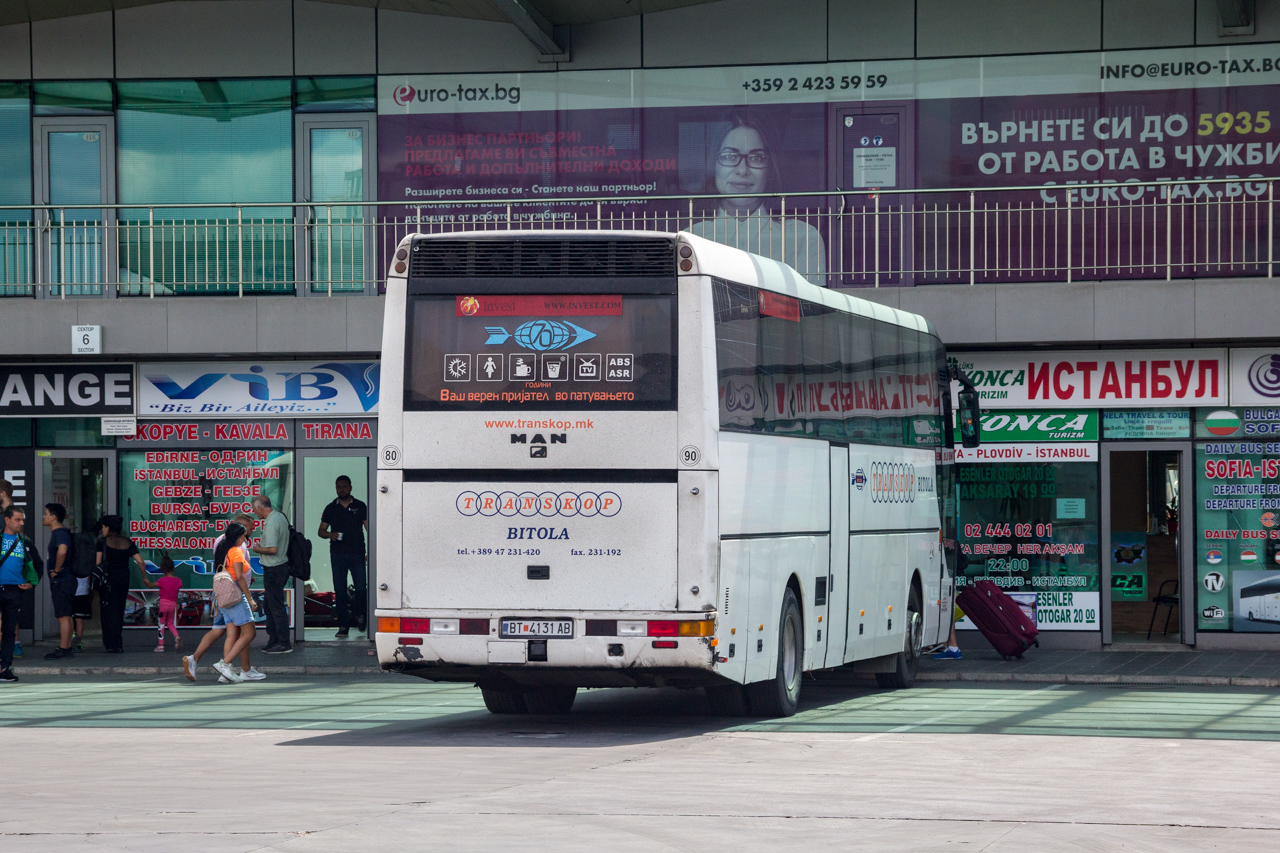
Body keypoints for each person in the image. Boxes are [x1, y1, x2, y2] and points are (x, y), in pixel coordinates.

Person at [690, 115, 827, 285]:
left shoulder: (803, 237)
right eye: (730, 156)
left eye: (756, 158)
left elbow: (811, 308)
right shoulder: (691, 238)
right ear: (713, 164)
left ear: (771, 167)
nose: (742, 170)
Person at [183, 518, 264, 683]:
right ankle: (225, 664)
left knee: (231, 634)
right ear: (237, 535)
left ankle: (225, 673)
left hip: (223, 595)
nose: (246, 538)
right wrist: (250, 599)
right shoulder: (236, 550)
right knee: (249, 633)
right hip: (235, 594)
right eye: (244, 534)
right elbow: (240, 576)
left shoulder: (222, 545)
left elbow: (230, 570)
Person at [318, 475, 369, 637]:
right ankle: (343, 626)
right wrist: (330, 534)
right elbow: (320, 531)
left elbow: (371, 530)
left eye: (344, 486)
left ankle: (360, 615)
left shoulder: (360, 506)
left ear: (351, 487)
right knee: (339, 590)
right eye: (338, 487)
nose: (342, 489)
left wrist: (371, 552)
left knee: (361, 587)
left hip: (358, 554)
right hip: (338, 555)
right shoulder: (330, 508)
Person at [95, 515, 145, 653]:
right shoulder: (128, 543)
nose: (102, 529)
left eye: (104, 527)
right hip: (123, 578)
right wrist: (144, 577)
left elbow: (98, 563)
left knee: (108, 610)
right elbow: (140, 561)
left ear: (108, 528)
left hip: (108, 578)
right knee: (120, 608)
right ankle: (118, 642)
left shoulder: (102, 542)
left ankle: (111, 643)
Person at [0, 506, 39, 683]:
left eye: (22, 519)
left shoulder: (25, 541)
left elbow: (37, 564)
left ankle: (4, 667)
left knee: (9, 631)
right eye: (18, 519)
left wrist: (32, 583)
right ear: (7, 520)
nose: (21, 523)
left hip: (14, 590)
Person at [250, 496, 292, 654]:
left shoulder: (273, 521)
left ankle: (283, 643)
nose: (255, 513)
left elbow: (273, 549)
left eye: (255, 509)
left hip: (275, 568)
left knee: (276, 607)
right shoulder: (279, 517)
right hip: (276, 568)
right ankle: (273, 639)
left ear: (261, 507)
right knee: (269, 605)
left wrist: (258, 549)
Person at [42, 503, 75, 660]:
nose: (44, 516)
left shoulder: (60, 533)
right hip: (66, 579)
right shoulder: (61, 533)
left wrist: (56, 570)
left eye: (46, 513)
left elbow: (62, 551)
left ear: (53, 517)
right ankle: (67, 647)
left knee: (62, 616)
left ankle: (63, 648)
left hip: (62, 579)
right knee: (66, 614)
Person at [138, 552, 181, 652]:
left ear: (163, 570)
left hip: (163, 605)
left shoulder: (162, 580)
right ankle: (176, 636)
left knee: (161, 624)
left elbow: (151, 585)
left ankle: (161, 646)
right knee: (170, 623)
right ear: (173, 568)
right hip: (173, 605)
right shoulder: (178, 581)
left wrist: (146, 581)